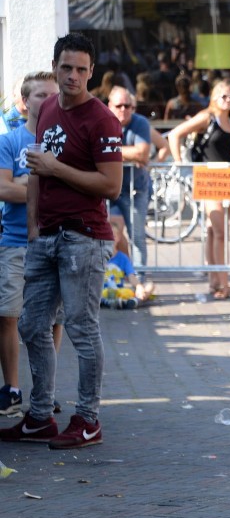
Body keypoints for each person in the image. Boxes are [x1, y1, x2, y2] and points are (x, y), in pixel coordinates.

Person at [0, 33, 123, 450]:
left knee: (81, 329)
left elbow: (111, 185)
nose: (73, 76)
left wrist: (58, 167)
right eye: (66, 67)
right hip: (45, 237)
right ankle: (40, 416)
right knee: (33, 324)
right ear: (55, 67)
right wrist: (33, 228)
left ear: (91, 73)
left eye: (81, 70)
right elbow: (36, 170)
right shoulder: (48, 107)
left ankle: (88, 419)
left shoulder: (102, 118)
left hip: (84, 238)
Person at [0, 71, 59, 416]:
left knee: (54, 320)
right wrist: (40, 186)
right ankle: (11, 388)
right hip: (14, 241)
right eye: (40, 95)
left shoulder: (65, 141)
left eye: (52, 94)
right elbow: (2, 188)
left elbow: (72, 190)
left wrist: (26, 182)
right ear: (24, 102)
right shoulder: (9, 142)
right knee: (8, 314)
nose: (49, 100)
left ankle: (44, 392)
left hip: (54, 240)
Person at [167, 79, 230, 299]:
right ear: (214, 98)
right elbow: (175, 134)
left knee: (212, 231)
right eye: (223, 96)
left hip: (228, 180)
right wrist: (180, 161)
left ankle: (215, 281)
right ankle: (223, 283)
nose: (228, 100)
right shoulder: (207, 117)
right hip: (208, 179)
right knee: (219, 232)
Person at [107, 87, 152, 267]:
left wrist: (111, 151)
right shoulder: (102, 122)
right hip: (109, 189)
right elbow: (93, 151)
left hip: (135, 189)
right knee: (108, 235)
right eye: (119, 106)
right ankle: (115, 277)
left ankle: (139, 280)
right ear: (110, 106)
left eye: (128, 105)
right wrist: (128, 153)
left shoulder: (140, 123)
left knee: (138, 236)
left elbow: (142, 154)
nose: (124, 109)